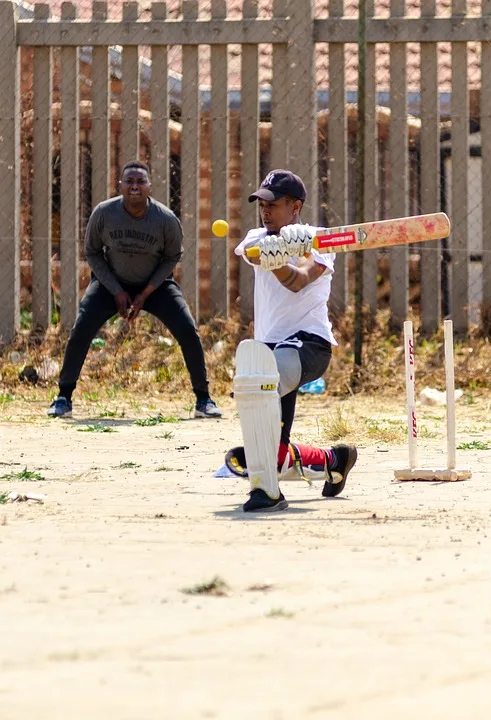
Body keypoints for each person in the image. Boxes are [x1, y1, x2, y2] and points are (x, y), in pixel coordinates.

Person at [47, 160, 221, 419]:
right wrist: (116, 289)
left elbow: (172, 257)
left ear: (150, 187)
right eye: (129, 181)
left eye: (141, 181)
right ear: (120, 186)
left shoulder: (165, 219)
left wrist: (145, 293)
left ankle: (203, 399)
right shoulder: (104, 213)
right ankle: (63, 396)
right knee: (81, 327)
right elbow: (92, 253)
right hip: (110, 284)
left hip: (156, 285)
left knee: (187, 328)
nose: (135, 186)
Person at [230, 169, 357, 511]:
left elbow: (300, 280)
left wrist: (293, 254)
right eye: (262, 204)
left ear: (296, 206)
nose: (265, 211)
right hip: (269, 349)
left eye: (274, 204)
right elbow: (255, 254)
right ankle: (334, 459)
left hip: (309, 345)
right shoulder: (258, 237)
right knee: (273, 448)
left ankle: (266, 493)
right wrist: (276, 253)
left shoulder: (320, 240)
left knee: (260, 385)